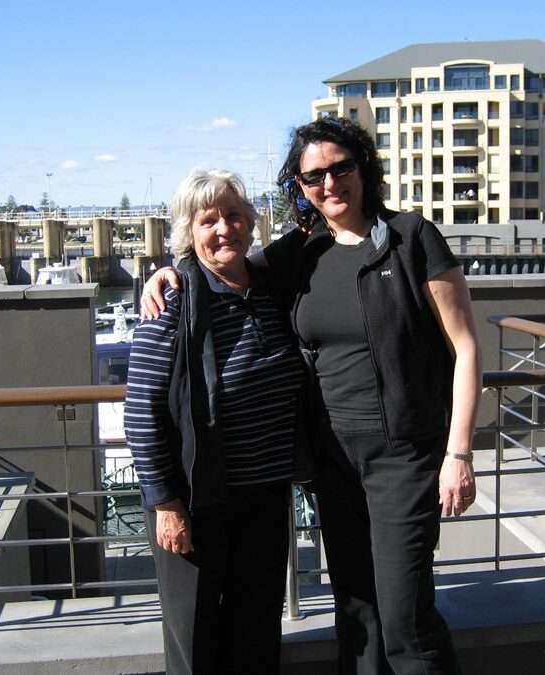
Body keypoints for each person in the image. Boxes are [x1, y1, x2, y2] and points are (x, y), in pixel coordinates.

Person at [143, 117, 481, 674]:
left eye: (339, 168)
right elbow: (221, 259)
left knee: (404, 618)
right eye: (312, 176)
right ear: (298, 187)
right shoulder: (302, 252)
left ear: (362, 167)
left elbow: (466, 349)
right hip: (333, 466)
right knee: (356, 612)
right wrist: (167, 273)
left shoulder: (412, 238)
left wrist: (459, 454)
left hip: (403, 458)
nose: (329, 183)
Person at [124, 168, 304, 674]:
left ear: (250, 223)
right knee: (195, 639)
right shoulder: (174, 299)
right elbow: (141, 411)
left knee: (257, 633)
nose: (224, 229)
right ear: (190, 231)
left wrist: (304, 175)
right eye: (208, 220)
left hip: (265, 495)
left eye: (233, 216)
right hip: (196, 500)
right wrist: (166, 503)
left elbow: (315, 222)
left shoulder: (272, 287)